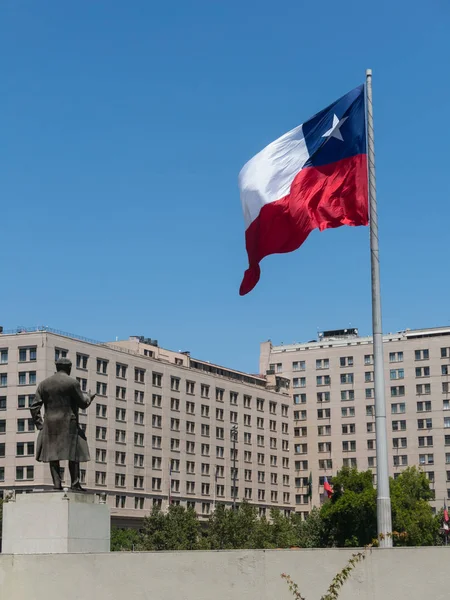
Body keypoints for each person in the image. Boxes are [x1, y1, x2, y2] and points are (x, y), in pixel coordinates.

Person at [30, 357, 96, 490]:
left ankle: (57, 484)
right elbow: (83, 403)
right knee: (74, 453)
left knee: (53, 454)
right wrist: (89, 397)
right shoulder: (72, 383)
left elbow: (34, 407)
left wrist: (40, 424)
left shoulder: (44, 384)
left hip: (50, 423)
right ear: (69, 368)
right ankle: (75, 483)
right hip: (69, 423)